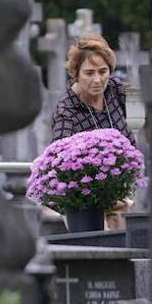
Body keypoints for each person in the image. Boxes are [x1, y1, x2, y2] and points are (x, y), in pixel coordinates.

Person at [50, 33, 137, 229]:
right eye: (89, 73)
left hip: (121, 197)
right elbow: (58, 162)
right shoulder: (67, 111)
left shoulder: (115, 90)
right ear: (76, 73)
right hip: (85, 202)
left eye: (103, 71)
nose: (98, 80)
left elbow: (144, 109)